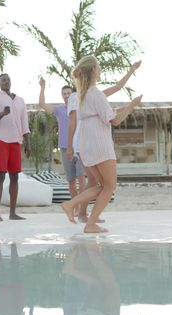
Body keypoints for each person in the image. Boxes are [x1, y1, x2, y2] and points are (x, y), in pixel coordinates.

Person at [60, 56, 143, 233]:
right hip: (99, 144)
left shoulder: (81, 95)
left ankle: (72, 205)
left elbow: (103, 113)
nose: (100, 70)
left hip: (86, 145)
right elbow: (114, 120)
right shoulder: (95, 93)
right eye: (98, 67)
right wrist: (132, 105)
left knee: (99, 185)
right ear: (92, 71)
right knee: (110, 185)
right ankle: (89, 223)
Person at [0, 73, 31, 222]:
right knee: (0, 175)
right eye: (3, 79)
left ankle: (12, 213)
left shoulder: (20, 100)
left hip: (15, 142)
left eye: (8, 79)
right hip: (0, 140)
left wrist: (27, 143)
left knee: (15, 176)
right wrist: (2, 113)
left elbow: (25, 123)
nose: (6, 81)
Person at [38, 78, 86, 214]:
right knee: (71, 180)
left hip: (80, 146)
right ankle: (75, 208)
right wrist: (42, 87)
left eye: (68, 93)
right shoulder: (58, 110)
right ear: (61, 95)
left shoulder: (80, 107)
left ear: (73, 94)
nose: (66, 95)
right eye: (64, 93)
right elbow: (42, 104)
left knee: (81, 177)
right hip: (65, 148)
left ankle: (82, 208)